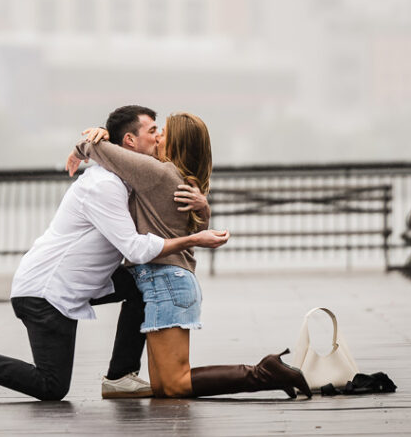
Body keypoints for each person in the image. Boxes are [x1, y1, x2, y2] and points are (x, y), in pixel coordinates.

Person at [0, 105, 229, 402]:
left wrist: (202, 209)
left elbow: (167, 225)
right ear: (129, 141)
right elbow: (135, 249)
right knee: (52, 386)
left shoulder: (133, 182)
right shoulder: (105, 186)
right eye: (153, 131)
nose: (158, 138)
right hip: (46, 291)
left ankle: (120, 377)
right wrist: (196, 238)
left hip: (80, 283)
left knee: (144, 286)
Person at [67, 112, 312, 400]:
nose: (158, 136)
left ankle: (264, 372)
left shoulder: (156, 173)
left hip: (166, 282)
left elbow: (98, 149)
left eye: (164, 132)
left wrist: (86, 143)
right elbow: (195, 227)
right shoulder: (183, 180)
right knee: (163, 387)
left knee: (176, 383)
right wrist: (205, 211)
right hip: (165, 280)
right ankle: (265, 372)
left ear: (178, 142)